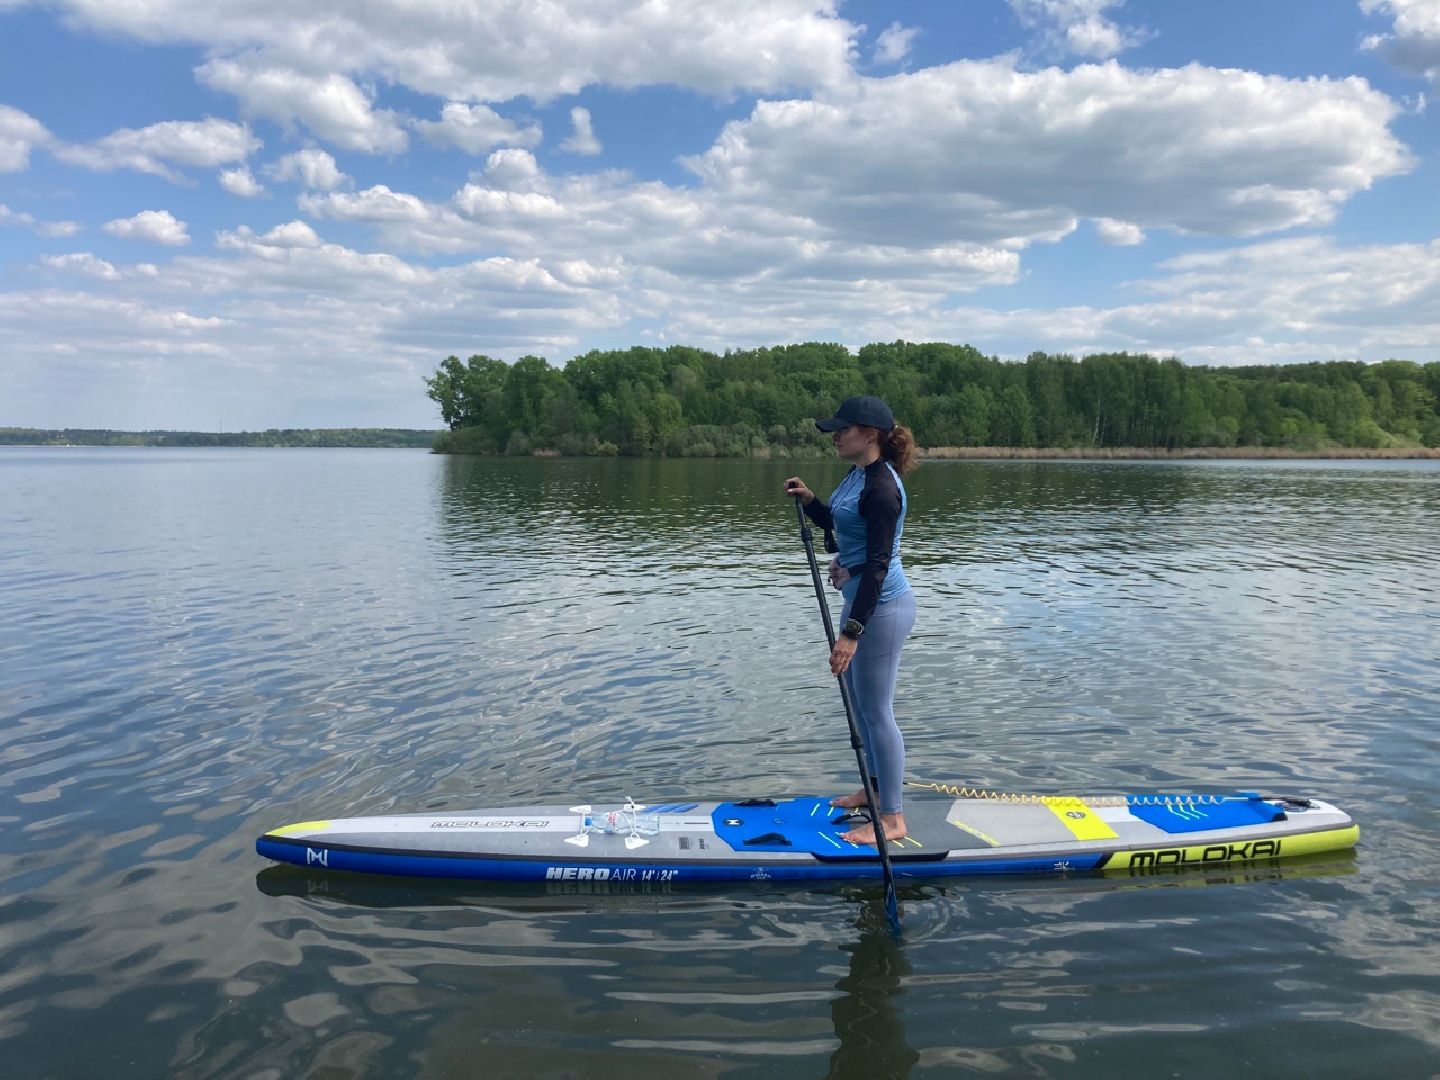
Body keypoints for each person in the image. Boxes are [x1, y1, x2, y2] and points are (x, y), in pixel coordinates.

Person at [784, 395, 918, 846]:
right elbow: (846, 528)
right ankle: (875, 790)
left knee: (878, 713)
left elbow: (879, 566)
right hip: (861, 599)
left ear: (871, 435)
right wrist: (812, 503)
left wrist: (850, 634)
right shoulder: (858, 475)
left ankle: (894, 818)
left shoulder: (882, 490)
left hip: (881, 608)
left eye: (844, 429)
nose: (836, 436)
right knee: (862, 707)